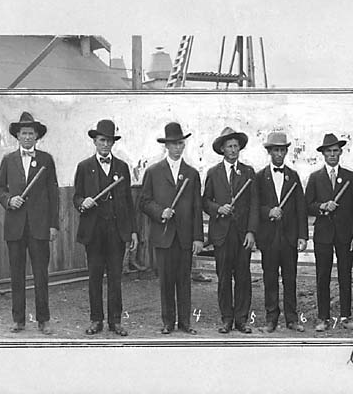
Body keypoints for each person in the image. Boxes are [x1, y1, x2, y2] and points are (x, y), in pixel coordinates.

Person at [0, 112, 59, 334]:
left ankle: (43, 320)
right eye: (24, 133)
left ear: (37, 136)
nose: (28, 137)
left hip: (39, 227)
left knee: (41, 274)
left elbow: (53, 194)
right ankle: (18, 320)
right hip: (15, 227)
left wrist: (53, 225)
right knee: (17, 274)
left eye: (32, 133)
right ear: (18, 136)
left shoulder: (46, 160)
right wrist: (9, 200)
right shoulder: (8, 160)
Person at [73, 119, 137, 336]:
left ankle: (115, 321)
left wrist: (133, 231)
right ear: (94, 141)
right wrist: (83, 202)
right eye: (101, 140)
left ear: (113, 143)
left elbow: (128, 202)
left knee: (116, 278)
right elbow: (76, 197)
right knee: (94, 277)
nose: (105, 144)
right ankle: (96, 320)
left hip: (116, 232)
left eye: (109, 141)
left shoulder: (122, 168)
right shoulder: (84, 167)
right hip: (93, 232)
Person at [139, 122, 203, 335]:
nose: (177, 147)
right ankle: (168, 322)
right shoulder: (154, 172)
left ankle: (185, 323)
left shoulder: (192, 174)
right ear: (166, 145)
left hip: (184, 237)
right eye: (173, 144)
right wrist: (160, 212)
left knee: (184, 281)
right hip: (163, 235)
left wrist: (197, 238)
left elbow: (196, 208)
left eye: (180, 143)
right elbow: (144, 202)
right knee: (166, 281)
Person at [203, 127, 258, 334]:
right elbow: (205, 201)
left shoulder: (248, 172)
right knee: (224, 277)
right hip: (222, 235)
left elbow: (254, 204)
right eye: (229, 146)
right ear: (222, 150)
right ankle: (226, 319)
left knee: (243, 277)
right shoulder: (213, 173)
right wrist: (219, 208)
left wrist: (251, 231)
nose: (233, 150)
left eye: (236, 146)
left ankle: (241, 319)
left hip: (242, 235)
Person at [306, 133, 353, 332]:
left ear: (340, 152)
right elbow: (307, 205)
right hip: (323, 235)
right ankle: (323, 317)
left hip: (345, 235)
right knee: (323, 275)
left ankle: (346, 316)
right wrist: (322, 206)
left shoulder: (349, 177)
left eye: (335, 151)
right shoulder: (315, 178)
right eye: (328, 151)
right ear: (323, 154)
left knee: (344, 275)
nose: (332, 154)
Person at [255, 131, 308, 333]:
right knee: (270, 278)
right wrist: (269, 211)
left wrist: (302, 236)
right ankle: (271, 319)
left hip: (289, 238)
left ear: (286, 152)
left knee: (290, 278)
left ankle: (292, 319)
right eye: (275, 150)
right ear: (269, 152)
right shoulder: (260, 177)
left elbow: (301, 208)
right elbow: (255, 205)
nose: (279, 154)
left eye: (282, 150)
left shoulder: (293, 176)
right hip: (268, 238)